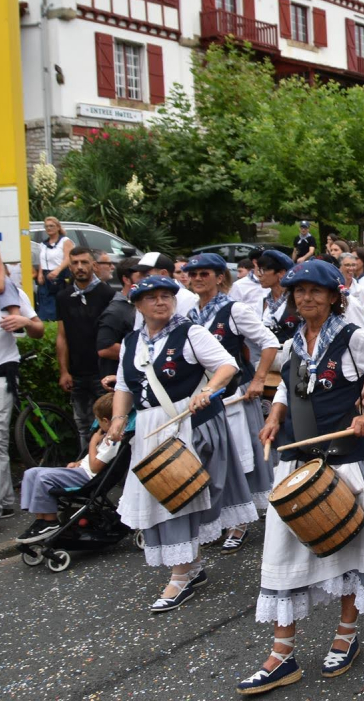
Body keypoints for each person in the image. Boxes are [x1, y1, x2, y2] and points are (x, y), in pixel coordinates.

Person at [241, 260, 364, 694]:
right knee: (281, 556)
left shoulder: (354, 338)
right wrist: (275, 416)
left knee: (349, 551)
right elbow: (286, 385)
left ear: (335, 296)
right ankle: (281, 654)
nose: (306, 298)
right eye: (299, 291)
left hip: (343, 462)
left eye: (316, 291)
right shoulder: (297, 341)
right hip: (297, 464)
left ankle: (346, 633)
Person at [107, 275, 257, 612]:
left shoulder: (190, 332)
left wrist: (206, 391)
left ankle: (181, 574)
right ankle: (191, 564)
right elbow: (123, 385)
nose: (161, 302)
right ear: (138, 305)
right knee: (161, 495)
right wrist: (118, 420)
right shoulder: (131, 342)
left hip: (186, 425)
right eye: (152, 298)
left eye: (166, 296)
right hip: (149, 426)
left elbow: (226, 365)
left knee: (177, 496)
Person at [183, 253, 279, 553]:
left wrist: (259, 379)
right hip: (203, 398)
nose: (198, 279)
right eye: (193, 274)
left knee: (241, 459)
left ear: (219, 277)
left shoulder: (234, 309)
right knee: (213, 460)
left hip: (235, 395)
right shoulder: (188, 315)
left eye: (205, 273)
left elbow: (269, 342)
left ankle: (240, 521)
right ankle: (220, 516)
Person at [17, 392, 120, 543]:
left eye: (98, 421)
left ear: (106, 421)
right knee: (31, 473)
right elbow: (92, 459)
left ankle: (50, 521)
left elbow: (96, 467)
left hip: (88, 478)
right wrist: (79, 462)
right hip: (81, 471)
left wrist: (92, 443)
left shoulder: (113, 441)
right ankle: (41, 520)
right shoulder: (104, 436)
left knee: (43, 478)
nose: (97, 425)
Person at [55, 247, 115, 441]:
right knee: (82, 425)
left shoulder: (108, 294)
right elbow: (62, 336)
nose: (80, 267)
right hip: (76, 372)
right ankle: (84, 467)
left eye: (84, 262)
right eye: (75, 263)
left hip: (102, 372)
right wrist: (64, 371)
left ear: (94, 265)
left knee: (109, 422)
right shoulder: (63, 297)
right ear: (70, 267)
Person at [0, 283, 44, 520]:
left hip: (1, 372)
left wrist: (25, 322)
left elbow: (39, 329)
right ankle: (4, 501)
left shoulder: (9, 291)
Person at [96, 257, 139, 385]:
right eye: (141, 276)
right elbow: (105, 348)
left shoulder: (139, 306)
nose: (147, 279)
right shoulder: (116, 310)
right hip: (119, 382)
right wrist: (143, 353)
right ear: (126, 279)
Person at [135, 253, 198, 321]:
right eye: (139, 275)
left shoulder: (187, 298)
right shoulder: (142, 296)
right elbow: (139, 328)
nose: (140, 279)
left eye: (146, 275)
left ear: (163, 274)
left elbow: (184, 328)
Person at [257, 249, 300, 345]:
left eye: (263, 270)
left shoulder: (296, 300)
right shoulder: (263, 302)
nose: (259, 275)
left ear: (281, 273)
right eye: (259, 270)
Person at [36, 216, 73, 320]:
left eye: (51, 226)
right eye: (46, 226)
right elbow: (41, 260)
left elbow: (68, 258)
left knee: (58, 302)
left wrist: (57, 270)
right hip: (46, 275)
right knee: (44, 302)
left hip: (60, 275)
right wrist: (40, 274)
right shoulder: (43, 244)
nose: (49, 228)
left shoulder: (65, 241)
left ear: (58, 227)